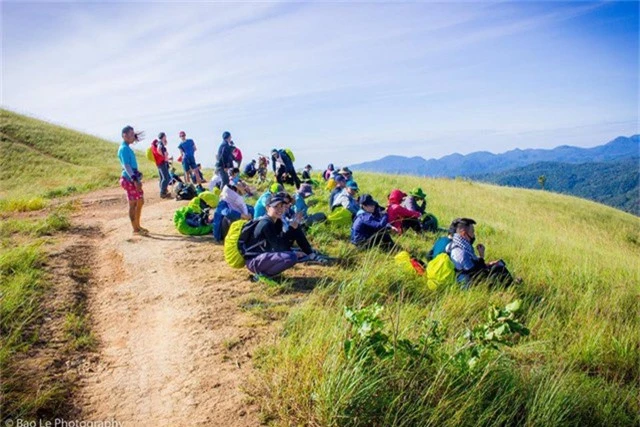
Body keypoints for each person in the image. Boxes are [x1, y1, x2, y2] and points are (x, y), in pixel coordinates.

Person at [242, 193, 324, 277]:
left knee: (296, 228)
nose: (280, 209)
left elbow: (281, 242)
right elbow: (278, 247)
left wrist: (293, 228)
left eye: (281, 206)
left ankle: (310, 253)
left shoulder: (276, 221)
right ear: (267, 208)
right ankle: (262, 275)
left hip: (265, 256)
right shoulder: (266, 223)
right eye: (275, 207)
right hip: (254, 260)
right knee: (291, 257)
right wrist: (294, 251)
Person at [448, 218, 514, 289]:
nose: (473, 235)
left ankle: (512, 284)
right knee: (499, 269)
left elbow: (473, 268)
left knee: (496, 266)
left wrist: (488, 264)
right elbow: (478, 275)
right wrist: (482, 257)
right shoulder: (461, 252)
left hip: (470, 276)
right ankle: (512, 287)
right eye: (472, 232)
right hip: (468, 284)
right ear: (464, 233)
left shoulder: (457, 244)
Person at [118, 126, 147, 234]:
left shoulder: (127, 147)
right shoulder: (123, 148)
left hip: (133, 176)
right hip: (129, 178)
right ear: (124, 135)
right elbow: (126, 165)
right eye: (130, 134)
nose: (133, 136)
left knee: (140, 201)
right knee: (133, 204)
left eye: (133, 134)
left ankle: (138, 226)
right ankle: (135, 228)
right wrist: (134, 178)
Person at [151, 132, 171, 198]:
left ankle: (164, 191)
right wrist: (163, 156)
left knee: (162, 178)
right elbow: (159, 149)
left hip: (160, 163)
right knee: (166, 178)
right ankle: (162, 192)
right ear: (163, 136)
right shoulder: (160, 143)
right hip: (162, 162)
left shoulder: (159, 143)